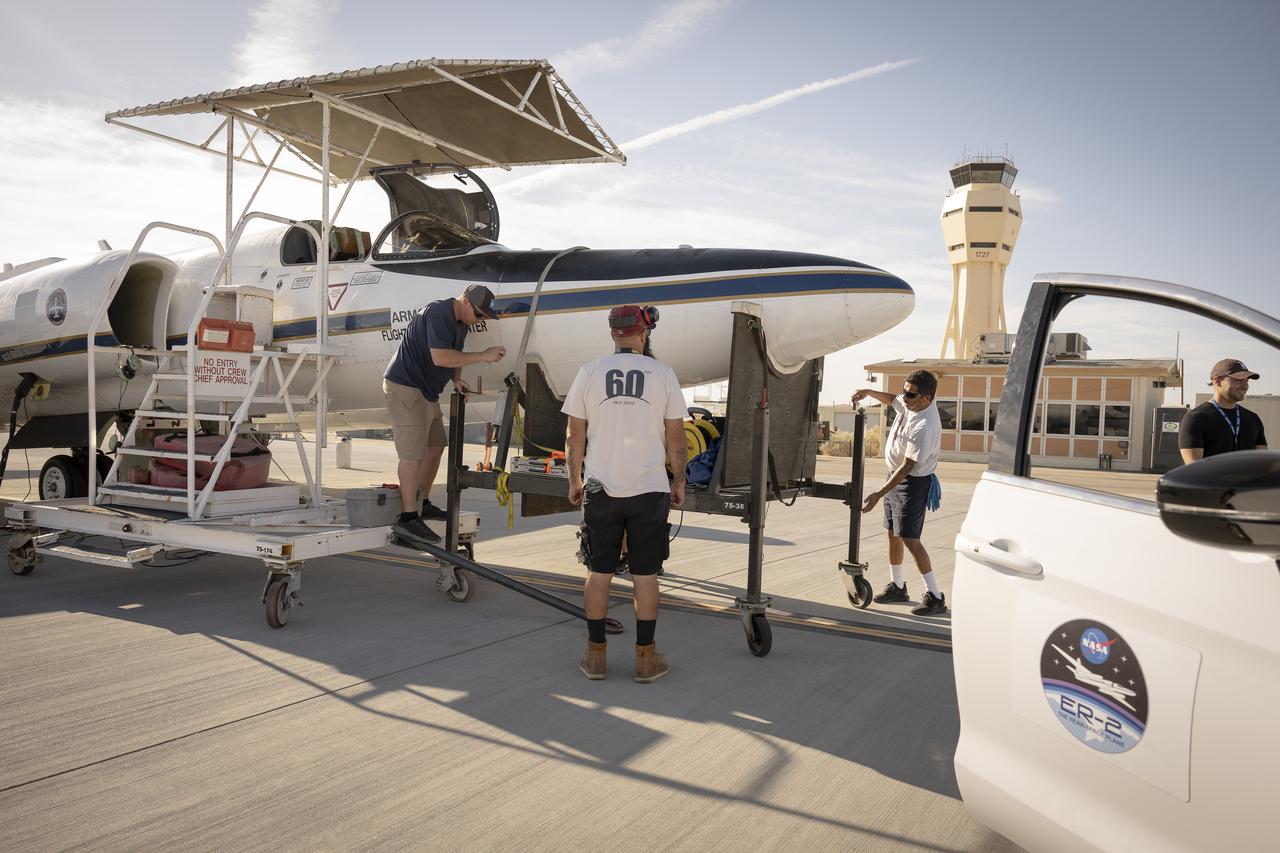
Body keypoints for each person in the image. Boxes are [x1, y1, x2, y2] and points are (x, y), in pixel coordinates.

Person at [563, 305, 686, 682]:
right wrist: (678, 480)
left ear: (613, 333)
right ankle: (646, 660)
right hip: (649, 490)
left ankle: (595, 657)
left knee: (598, 574)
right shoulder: (663, 374)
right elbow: (676, 439)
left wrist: (574, 480)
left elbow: (574, 436)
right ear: (643, 333)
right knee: (645, 576)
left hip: (601, 489)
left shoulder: (589, 372)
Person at [383, 284, 505, 544]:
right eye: (480, 314)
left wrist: (457, 379)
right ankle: (408, 518)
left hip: (426, 391)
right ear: (465, 302)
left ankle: (423, 501)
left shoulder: (461, 323)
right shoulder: (439, 312)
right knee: (412, 455)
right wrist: (483, 356)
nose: (481, 320)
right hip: (406, 387)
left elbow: (455, 356)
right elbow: (439, 357)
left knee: (437, 445)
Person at [851, 370, 946, 616]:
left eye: (910, 395)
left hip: (911, 483)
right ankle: (898, 586)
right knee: (893, 534)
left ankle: (935, 596)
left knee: (911, 539)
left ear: (926, 399)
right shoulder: (910, 404)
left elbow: (908, 467)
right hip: (896, 477)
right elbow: (893, 399)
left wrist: (879, 493)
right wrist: (869, 392)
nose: (904, 398)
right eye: (904, 390)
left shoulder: (926, 425)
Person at [1179, 359, 1268, 463]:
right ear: (1217, 381)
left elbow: (1261, 463)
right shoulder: (1196, 419)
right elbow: (1194, 469)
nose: (1245, 386)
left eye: (1246, 381)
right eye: (1238, 380)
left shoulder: (1253, 419)